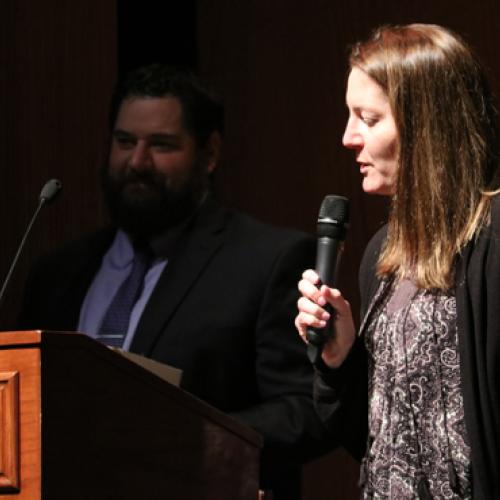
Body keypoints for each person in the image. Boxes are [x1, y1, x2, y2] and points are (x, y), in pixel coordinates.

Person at [18, 64, 328, 498]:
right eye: (125, 142)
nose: (138, 163)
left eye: (161, 145)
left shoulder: (267, 259)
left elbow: (304, 411)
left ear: (210, 153)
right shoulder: (56, 274)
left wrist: (183, 438)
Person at [296, 24, 500, 499]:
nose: (349, 137)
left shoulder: (492, 235)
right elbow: (376, 440)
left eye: (368, 119)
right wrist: (339, 358)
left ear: (426, 123)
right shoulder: (385, 254)